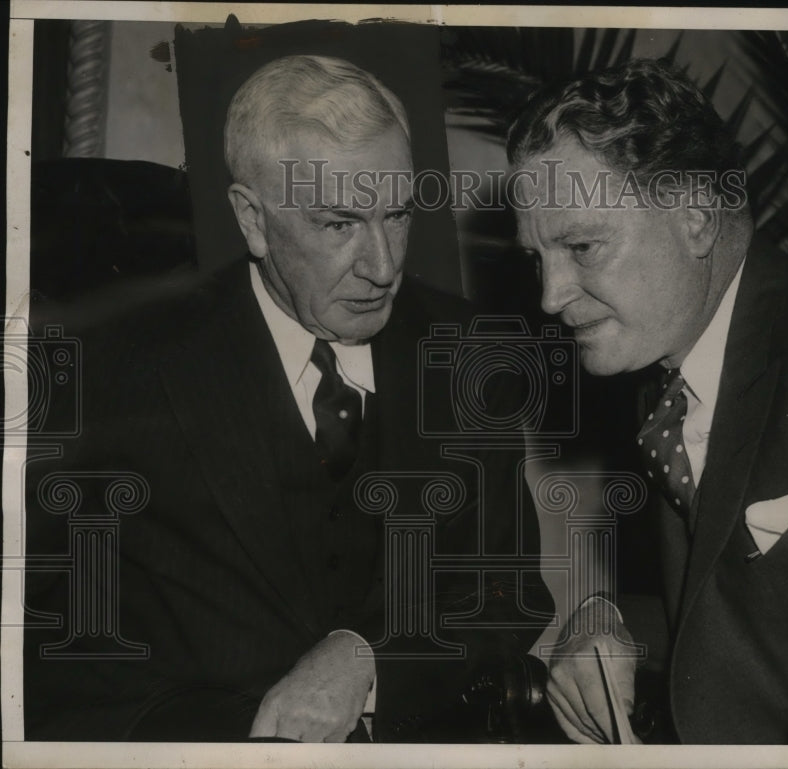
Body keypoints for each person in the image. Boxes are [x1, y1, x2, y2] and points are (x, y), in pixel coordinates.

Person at [24, 55, 553, 742]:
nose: (383, 266)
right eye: (339, 224)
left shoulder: (472, 355)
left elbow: (506, 594)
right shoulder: (115, 366)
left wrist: (368, 658)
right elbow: (34, 630)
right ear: (252, 219)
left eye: (397, 214)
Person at [506, 59, 788, 744]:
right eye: (537, 258)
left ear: (695, 218)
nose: (550, 294)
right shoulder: (663, 373)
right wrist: (602, 618)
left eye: (583, 246)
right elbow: (726, 611)